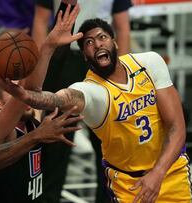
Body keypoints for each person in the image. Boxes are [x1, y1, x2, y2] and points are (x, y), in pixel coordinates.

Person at [0, 18, 191, 203]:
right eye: (89, 43)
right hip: (129, 185)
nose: (97, 44)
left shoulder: (149, 63)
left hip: (170, 171)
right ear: (85, 57)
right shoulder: (90, 90)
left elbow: (177, 127)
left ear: (115, 44)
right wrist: (25, 94)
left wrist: (158, 173)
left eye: (102, 37)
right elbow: (53, 98)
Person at [0, 5, 82, 202]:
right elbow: (28, 93)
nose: (22, 92)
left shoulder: (31, 121)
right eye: (14, 89)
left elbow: (34, 89)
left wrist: (50, 44)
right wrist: (47, 47)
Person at [31, 1, 132, 202]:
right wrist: (41, 65)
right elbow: (41, 21)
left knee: (108, 139)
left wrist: (121, 68)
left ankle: (110, 198)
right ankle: (48, 198)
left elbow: (122, 26)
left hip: (100, 60)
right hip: (63, 58)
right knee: (56, 137)